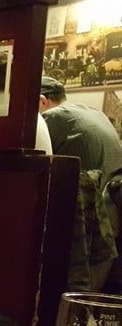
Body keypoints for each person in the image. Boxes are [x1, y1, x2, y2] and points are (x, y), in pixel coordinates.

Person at [39, 76, 122, 291]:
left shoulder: (51, 117)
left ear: (42, 101)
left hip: (87, 224)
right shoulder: (96, 113)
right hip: (111, 216)